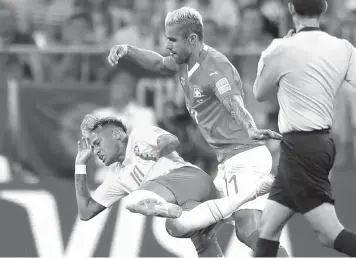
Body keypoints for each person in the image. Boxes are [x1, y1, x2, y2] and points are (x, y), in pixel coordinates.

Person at [107, 6, 288, 255]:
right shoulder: (183, 61)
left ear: (192, 39)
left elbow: (232, 101)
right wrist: (129, 50)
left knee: (248, 231)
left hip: (244, 156)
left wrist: (250, 128)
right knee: (198, 234)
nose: (167, 45)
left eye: (172, 40)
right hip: (227, 160)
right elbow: (159, 63)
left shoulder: (214, 67)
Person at [75, 114, 274, 257]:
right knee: (180, 230)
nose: (95, 151)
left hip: (189, 179)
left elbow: (171, 140)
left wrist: (156, 151)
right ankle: (241, 201)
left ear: (117, 134)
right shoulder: (115, 177)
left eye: (97, 143)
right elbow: (86, 212)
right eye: (92, 147)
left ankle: (248, 193)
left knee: (135, 199)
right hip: (190, 203)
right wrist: (79, 166)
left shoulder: (138, 135)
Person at [252, 0, 356, 256]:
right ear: (323, 9)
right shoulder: (344, 48)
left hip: (300, 147)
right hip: (319, 143)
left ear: (290, 9)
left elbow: (259, 94)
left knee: (330, 235)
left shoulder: (281, 48)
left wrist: (273, 50)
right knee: (267, 228)